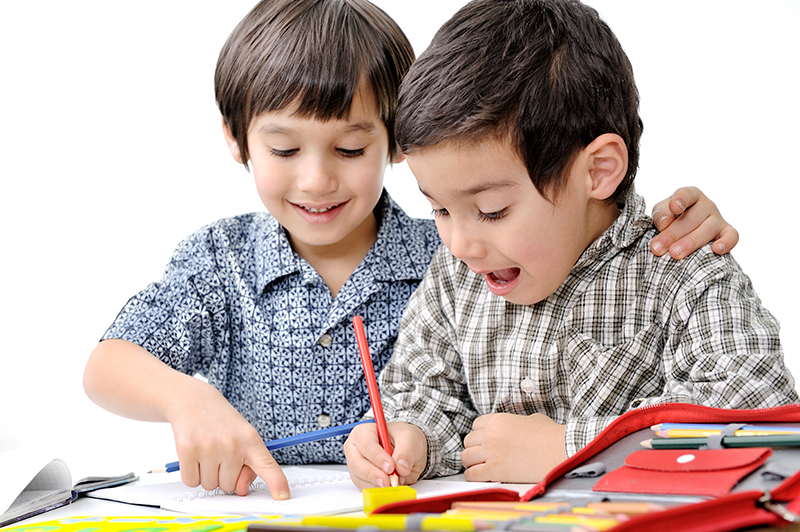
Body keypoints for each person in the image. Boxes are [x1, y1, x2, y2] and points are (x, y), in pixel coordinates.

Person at [82, 0, 740, 500]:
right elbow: (109, 359)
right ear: (237, 139)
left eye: (349, 148)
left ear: (397, 142)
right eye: (284, 150)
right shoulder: (224, 261)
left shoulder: (461, 259)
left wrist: (568, 449)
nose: (316, 179)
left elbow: (750, 432)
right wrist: (186, 400)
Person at [343, 0, 798, 489]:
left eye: (492, 210)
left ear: (598, 171)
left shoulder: (682, 270)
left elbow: (756, 415)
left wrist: (573, 448)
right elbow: (423, 393)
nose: (460, 243)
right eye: (440, 210)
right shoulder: (456, 278)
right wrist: (412, 439)